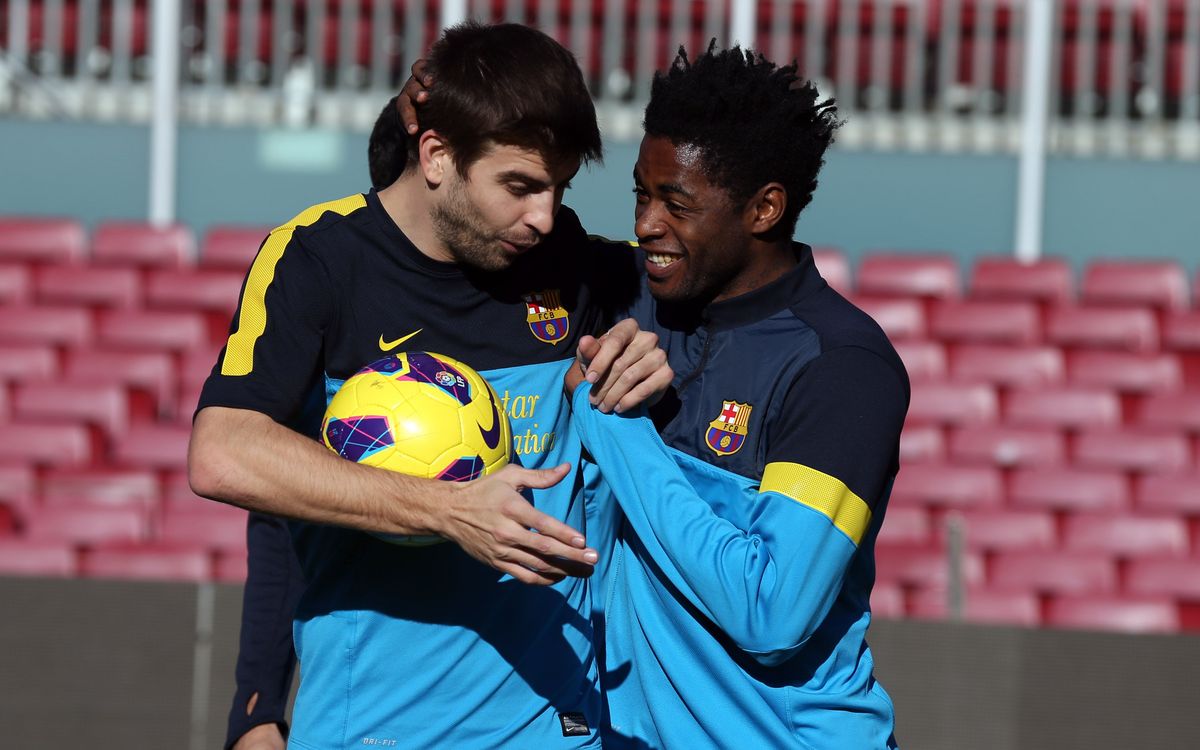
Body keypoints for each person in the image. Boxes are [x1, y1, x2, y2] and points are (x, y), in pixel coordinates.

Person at [191, 22, 670, 749]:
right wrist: (257, 705)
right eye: (520, 186)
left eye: (559, 188)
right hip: (367, 727)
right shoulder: (317, 259)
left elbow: (744, 300)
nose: (545, 216)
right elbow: (225, 453)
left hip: (553, 726)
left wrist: (652, 350)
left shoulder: (586, 270)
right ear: (438, 155)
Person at [564, 43, 908, 747]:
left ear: (764, 209)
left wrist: (615, 422)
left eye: (676, 203)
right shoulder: (621, 293)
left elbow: (772, 613)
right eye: (640, 192)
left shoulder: (843, 367)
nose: (644, 224)